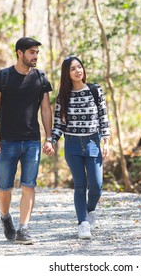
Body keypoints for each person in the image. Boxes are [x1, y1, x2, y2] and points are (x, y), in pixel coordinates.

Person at [0, 37, 55, 245]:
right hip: (7, 141)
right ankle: (6, 217)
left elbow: (45, 109)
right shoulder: (3, 77)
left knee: (29, 185)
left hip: (32, 142)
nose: (35, 56)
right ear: (20, 53)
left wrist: (49, 137)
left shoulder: (41, 78)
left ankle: (23, 229)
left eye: (36, 53)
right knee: (4, 187)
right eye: (31, 52)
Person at [50, 56, 110, 239]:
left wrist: (106, 141)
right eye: (73, 69)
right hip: (73, 144)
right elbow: (59, 124)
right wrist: (51, 141)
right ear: (67, 74)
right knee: (80, 185)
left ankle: (89, 210)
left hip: (93, 142)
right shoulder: (63, 97)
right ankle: (83, 223)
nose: (78, 71)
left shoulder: (94, 90)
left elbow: (103, 116)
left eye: (79, 67)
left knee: (96, 186)